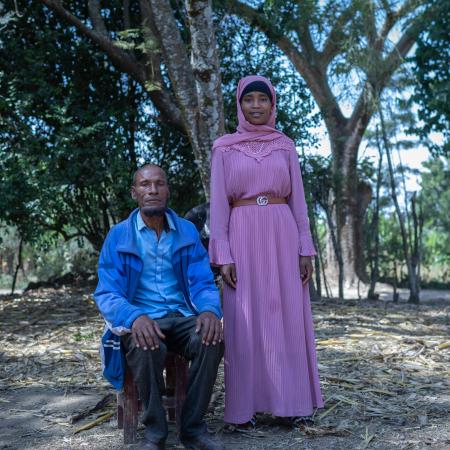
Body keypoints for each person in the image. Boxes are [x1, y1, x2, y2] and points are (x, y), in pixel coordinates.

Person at [209, 75, 324, 427]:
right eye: (249, 99)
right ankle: (242, 411)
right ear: (239, 106)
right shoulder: (224, 148)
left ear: (272, 105)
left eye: (262, 99)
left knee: (287, 318)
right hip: (242, 236)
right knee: (244, 322)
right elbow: (218, 207)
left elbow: (299, 202)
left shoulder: (286, 145)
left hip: (282, 233)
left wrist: (305, 248)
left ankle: (291, 405)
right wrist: (223, 255)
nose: (255, 105)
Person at [94, 164, 225, 450]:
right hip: (142, 319)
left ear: (167, 190)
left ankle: (192, 429)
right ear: (134, 192)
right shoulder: (119, 236)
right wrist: (134, 316)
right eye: (144, 184)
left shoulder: (187, 232)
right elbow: (107, 292)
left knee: (211, 338)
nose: (152, 190)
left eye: (159, 184)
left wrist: (209, 311)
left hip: (182, 315)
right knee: (145, 344)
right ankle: (155, 432)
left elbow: (203, 282)